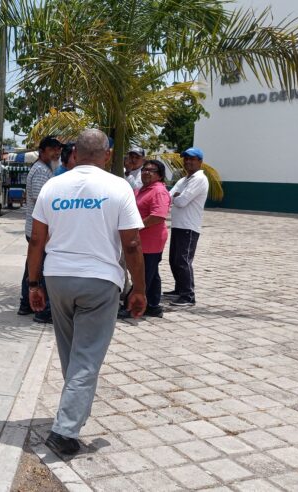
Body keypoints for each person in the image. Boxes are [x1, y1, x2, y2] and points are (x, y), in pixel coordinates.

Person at [27, 129, 146, 456]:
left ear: (75, 153)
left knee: (73, 354)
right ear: (107, 155)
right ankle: (65, 431)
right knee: (87, 357)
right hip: (100, 281)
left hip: (57, 279)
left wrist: (33, 283)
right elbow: (132, 243)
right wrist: (139, 289)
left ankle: (72, 410)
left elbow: (37, 240)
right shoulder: (119, 187)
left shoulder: (54, 185)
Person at [18, 135, 62, 323]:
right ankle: (40, 309)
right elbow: (39, 199)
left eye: (58, 149)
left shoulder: (44, 169)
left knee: (32, 268)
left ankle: (26, 304)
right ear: (42, 151)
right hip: (38, 229)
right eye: (52, 149)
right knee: (39, 270)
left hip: (37, 228)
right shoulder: (41, 171)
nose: (56, 152)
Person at [119, 159, 170, 319]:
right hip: (143, 239)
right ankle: (153, 305)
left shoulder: (158, 191)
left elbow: (158, 216)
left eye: (151, 170)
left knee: (142, 273)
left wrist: (135, 227)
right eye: (144, 169)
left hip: (150, 241)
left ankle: (131, 306)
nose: (146, 172)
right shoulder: (143, 190)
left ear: (160, 175)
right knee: (152, 274)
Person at [165, 147, 209, 307]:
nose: (188, 161)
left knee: (183, 261)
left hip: (189, 227)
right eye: (186, 159)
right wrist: (176, 197)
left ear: (200, 162)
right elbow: (169, 196)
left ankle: (188, 295)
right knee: (174, 260)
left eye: (192, 159)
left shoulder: (199, 179)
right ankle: (179, 289)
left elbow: (181, 201)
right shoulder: (184, 180)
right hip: (178, 225)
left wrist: (176, 197)